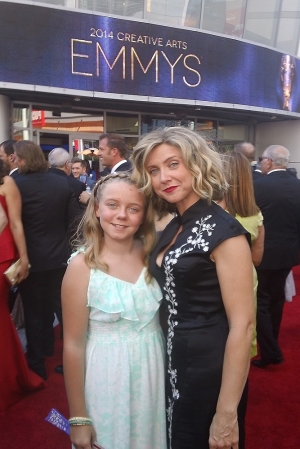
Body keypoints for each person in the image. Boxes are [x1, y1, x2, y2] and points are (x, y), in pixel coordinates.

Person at [131, 126, 254, 449]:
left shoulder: (225, 231)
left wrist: (227, 413)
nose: (163, 178)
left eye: (173, 164)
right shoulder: (177, 222)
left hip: (208, 369)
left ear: (197, 164)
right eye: (154, 170)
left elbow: (243, 326)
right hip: (171, 360)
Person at [62, 172, 167, 449]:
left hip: (152, 374)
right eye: (112, 205)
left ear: (144, 216)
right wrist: (78, 418)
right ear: (96, 208)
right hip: (105, 377)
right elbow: (73, 344)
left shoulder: (153, 256)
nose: (121, 215)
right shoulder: (81, 266)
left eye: (133, 209)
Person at [14, 140, 81, 380]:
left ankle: (37, 363)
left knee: (34, 311)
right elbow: (74, 220)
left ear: (21, 160)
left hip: (30, 259)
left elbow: (14, 223)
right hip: (59, 256)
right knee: (63, 309)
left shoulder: (16, 184)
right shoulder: (61, 182)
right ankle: (73, 358)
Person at [0, 159, 45, 412]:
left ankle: (7, 381)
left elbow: (16, 223)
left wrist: (24, 258)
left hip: (2, 257)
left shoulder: (6, 182)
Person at [252, 145, 300, 368]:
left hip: (262, 252)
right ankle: (271, 344)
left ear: (269, 162)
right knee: (276, 298)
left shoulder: (257, 185)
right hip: (288, 253)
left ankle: (270, 350)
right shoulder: (297, 185)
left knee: (260, 300)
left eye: (262, 159)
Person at [220, 152, 265, 358]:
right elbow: (257, 259)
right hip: (247, 280)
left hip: (216, 281)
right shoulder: (255, 215)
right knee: (242, 334)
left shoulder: (212, 214)